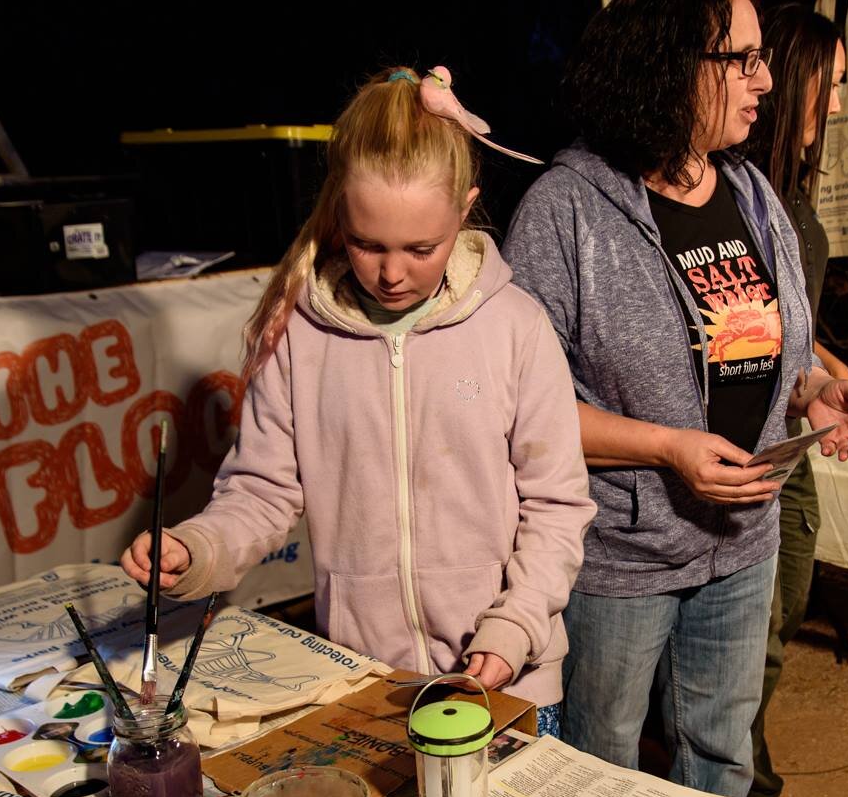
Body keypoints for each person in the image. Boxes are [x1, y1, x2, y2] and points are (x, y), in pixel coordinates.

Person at [122, 68, 594, 731]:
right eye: (368, 244)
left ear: (465, 209)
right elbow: (262, 492)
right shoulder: (298, 336)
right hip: (366, 680)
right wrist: (195, 547)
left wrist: (514, 627)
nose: (392, 272)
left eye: (420, 248)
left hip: (507, 683)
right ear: (339, 213)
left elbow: (558, 506)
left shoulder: (516, 327)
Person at [505, 0, 848, 797]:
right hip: (622, 557)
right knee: (604, 771)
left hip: (745, 542)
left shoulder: (749, 191)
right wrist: (668, 449)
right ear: (673, 66)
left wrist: (817, 394)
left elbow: (777, 352)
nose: (767, 80)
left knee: (722, 759)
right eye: (741, 59)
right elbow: (524, 412)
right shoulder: (565, 211)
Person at [736, 3, 848, 797]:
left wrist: (828, 366)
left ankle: (727, 761)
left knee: (785, 606)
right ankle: (745, 787)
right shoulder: (741, 193)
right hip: (751, 434)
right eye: (828, 82)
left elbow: (781, 317)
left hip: (793, 423)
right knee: (757, 624)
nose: (836, 102)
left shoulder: (788, 189)